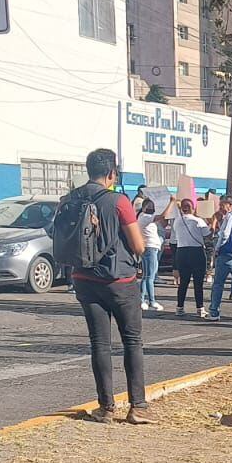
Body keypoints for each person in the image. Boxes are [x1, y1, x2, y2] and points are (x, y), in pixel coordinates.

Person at [65, 148, 151, 425]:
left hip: (83, 279)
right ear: (112, 173)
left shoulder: (70, 198)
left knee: (99, 343)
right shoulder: (118, 201)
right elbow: (138, 245)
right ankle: (137, 407)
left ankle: (106, 408)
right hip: (119, 281)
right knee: (132, 341)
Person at [170, 198, 209, 315]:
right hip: (196, 251)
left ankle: (179, 307)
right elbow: (207, 235)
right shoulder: (198, 221)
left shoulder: (177, 221)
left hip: (181, 251)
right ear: (193, 208)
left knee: (183, 282)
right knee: (198, 282)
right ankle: (200, 308)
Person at [138, 197, 174, 312]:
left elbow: (162, 221)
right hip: (150, 248)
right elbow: (163, 216)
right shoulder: (146, 217)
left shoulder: (143, 217)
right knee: (150, 277)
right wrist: (171, 202)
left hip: (148, 247)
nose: (152, 208)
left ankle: (142, 299)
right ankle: (151, 300)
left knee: (146, 276)